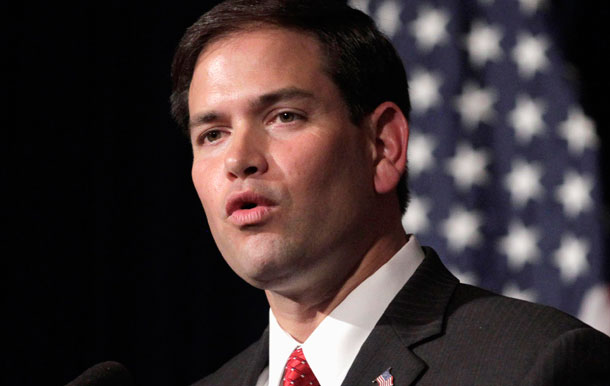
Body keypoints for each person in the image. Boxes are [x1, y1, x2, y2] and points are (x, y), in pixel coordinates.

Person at [170, 1, 610, 385]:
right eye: (212, 134)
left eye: (284, 116)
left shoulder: (535, 363)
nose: (238, 159)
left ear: (383, 146)